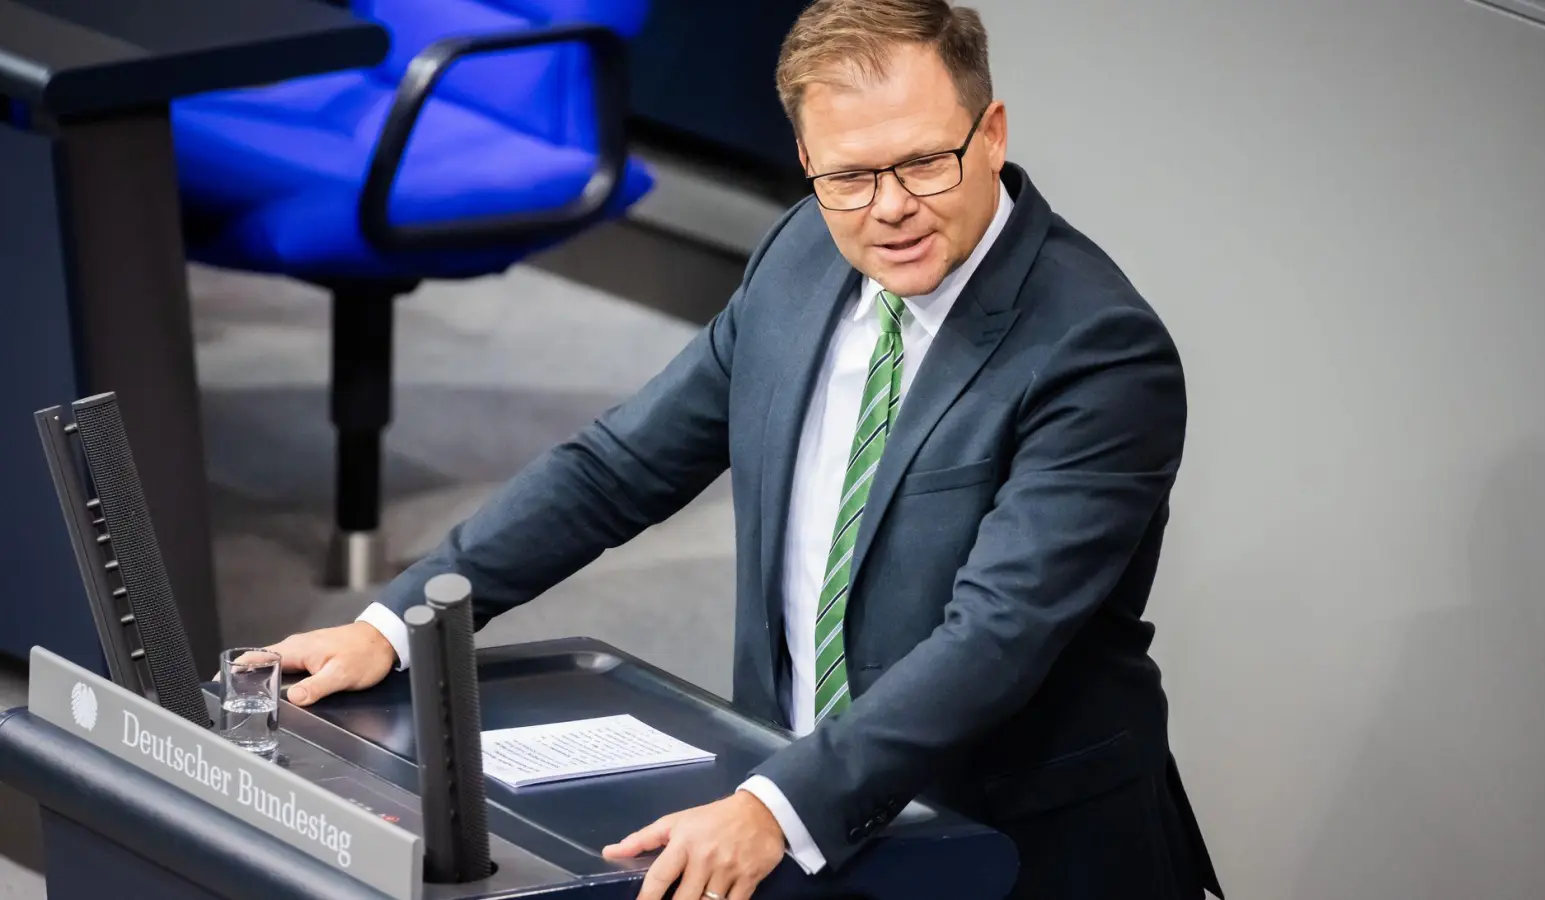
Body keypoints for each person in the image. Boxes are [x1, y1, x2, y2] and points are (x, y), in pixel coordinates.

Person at [262, 1, 1223, 898]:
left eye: (925, 162)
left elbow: (997, 634)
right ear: (805, 158)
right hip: (796, 799)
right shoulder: (803, 252)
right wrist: (393, 626)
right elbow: (617, 468)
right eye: (847, 175)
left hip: (1009, 843)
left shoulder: (1096, 350)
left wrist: (776, 806)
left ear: (994, 132)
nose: (888, 208)